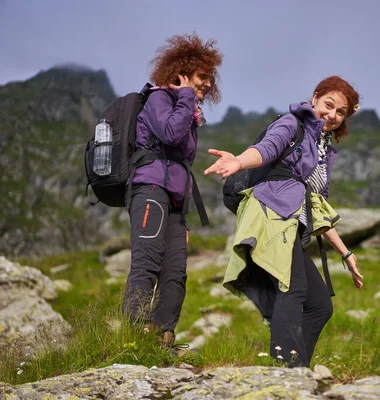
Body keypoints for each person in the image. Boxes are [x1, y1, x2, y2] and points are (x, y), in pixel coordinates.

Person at [204, 76, 364, 367]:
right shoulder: (292, 124)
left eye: (341, 112)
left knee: (319, 307)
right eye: (329, 105)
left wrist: (346, 253)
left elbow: (318, 205)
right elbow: (267, 149)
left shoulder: (323, 151)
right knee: (293, 290)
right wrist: (239, 161)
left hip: (292, 227)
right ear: (315, 98)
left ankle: (295, 367)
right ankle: (290, 370)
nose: (332, 115)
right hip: (273, 215)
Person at [122, 33, 223, 348]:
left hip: (177, 202)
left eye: (210, 78)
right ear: (182, 73)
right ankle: (135, 337)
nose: (207, 84)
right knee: (147, 261)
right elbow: (168, 132)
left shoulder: (186, 109)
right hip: (150, 187)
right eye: (202, 77)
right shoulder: (159, 98)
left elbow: (180, 160)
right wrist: (185, 95)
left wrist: (185, 219)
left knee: (176, 271)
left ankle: (164, 338)